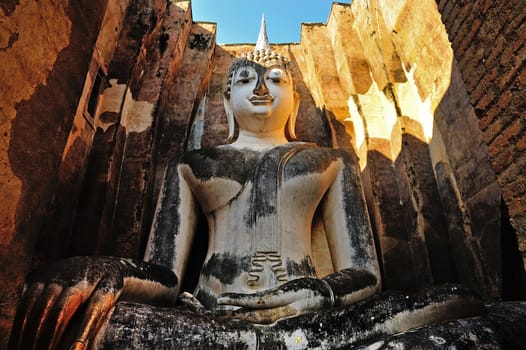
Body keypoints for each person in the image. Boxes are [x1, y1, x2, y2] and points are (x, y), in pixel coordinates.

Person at [9, 36, 483, 349]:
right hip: (211, 323)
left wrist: (319, 291)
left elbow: (362, 272)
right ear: (226, 101)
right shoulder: (194, 164)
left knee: (464, 308)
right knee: (85, 323)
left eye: (276, 80)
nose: (261, 88)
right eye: (245, 80)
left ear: (294, 100)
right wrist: (108, 270)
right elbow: (165, 277)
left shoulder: (330, 161)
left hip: (312, 327)